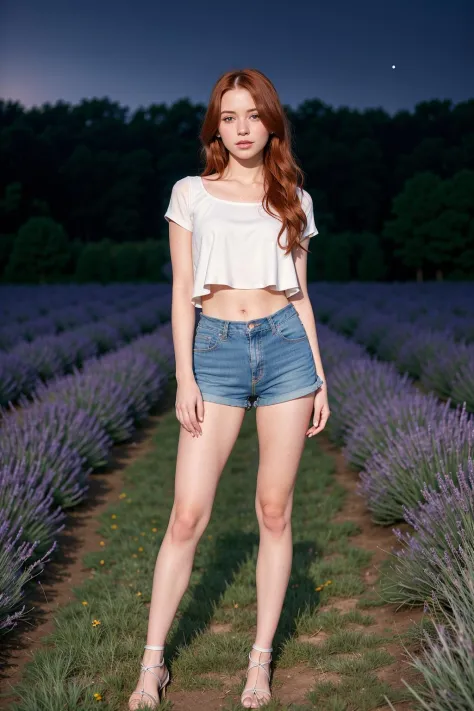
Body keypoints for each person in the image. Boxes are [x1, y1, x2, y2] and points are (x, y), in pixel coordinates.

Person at [128, 67, 330, 710]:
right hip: (213, 351)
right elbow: (181, 288)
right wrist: (184, 373)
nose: (242, 128)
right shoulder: (190, 193)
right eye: (229, 117)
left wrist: (319, 377)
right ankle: (152, 665)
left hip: (285, 352)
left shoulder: (293, 194)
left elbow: (301, 297)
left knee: (274, 510)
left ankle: (260, 661)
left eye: (253, 115)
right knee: (187, 514)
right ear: (216, 125)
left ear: (272, 121)